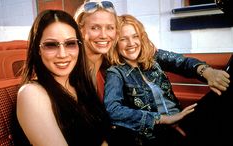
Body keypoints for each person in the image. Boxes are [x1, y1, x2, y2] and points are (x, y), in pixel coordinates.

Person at [104, 14, 231, 146]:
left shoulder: (153, 57)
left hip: (182, 119)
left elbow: (183, 62)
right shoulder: (115, 72)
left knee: (225, 88)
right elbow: (114, 110)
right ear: (115, 43)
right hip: (155, 133)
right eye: (123, 39)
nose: (131, 43)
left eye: (135, 36)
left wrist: (208, 72)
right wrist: (163, 119)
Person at [17, 9, 111, 146]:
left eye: (70, 43)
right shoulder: (31, 93)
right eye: (51, 45)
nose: (62, 54)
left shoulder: (81, 85)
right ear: (37, 49)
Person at [74, 1, 118, 102]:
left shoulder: (112, 62)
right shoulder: (70, 66)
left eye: (109, 28)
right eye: (95, 28)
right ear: (81, 30)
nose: (103, 35)